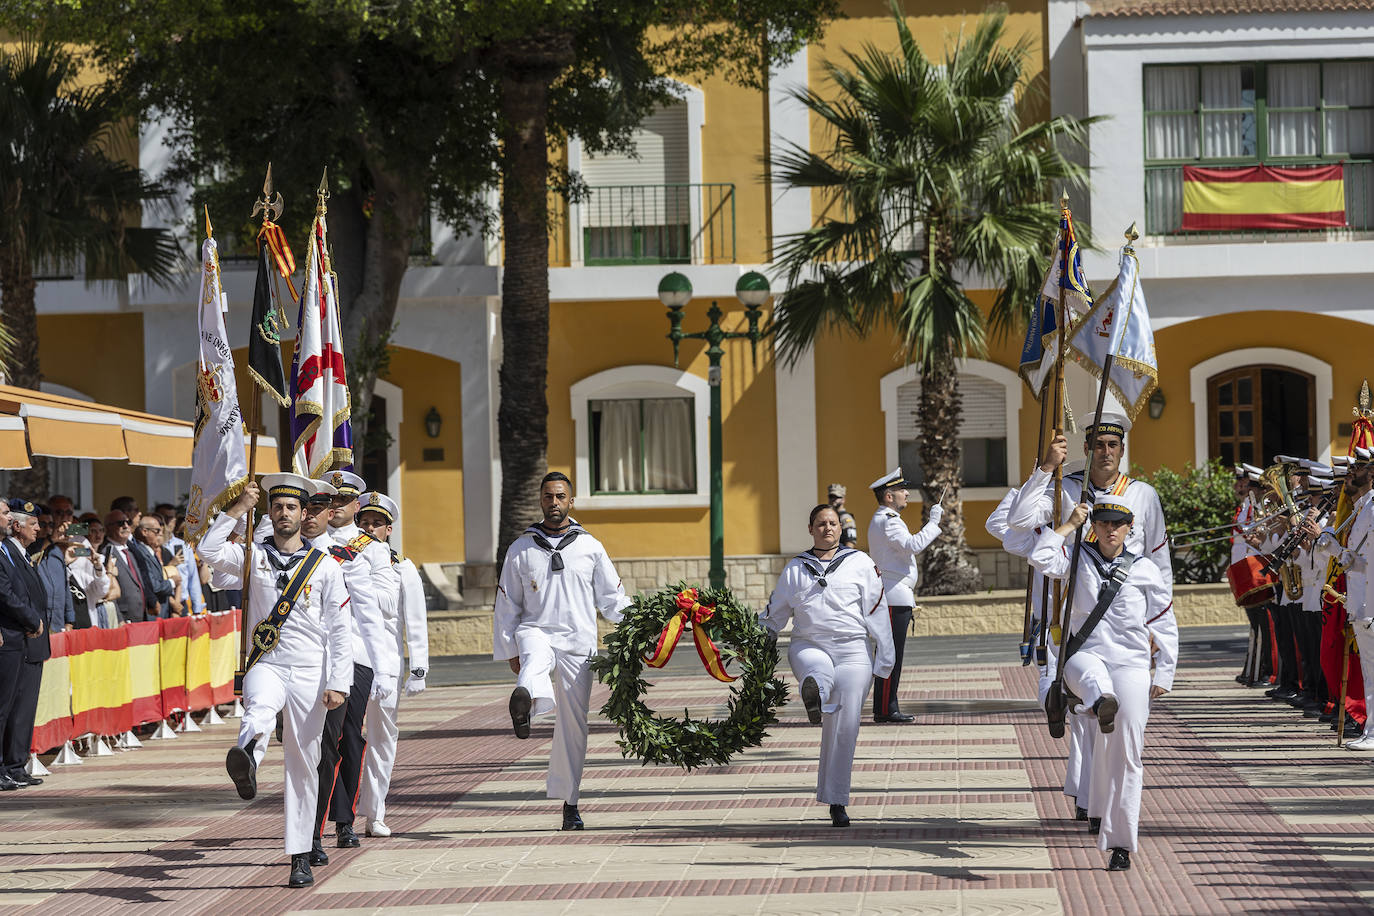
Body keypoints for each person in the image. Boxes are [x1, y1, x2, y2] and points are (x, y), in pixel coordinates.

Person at [199, 474, 352, 889]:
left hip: (309, 670)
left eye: (291, 508)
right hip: (265, 661)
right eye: (276, 507)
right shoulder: (252, 556)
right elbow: (208, 549)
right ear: (269, 512)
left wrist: (340, 681)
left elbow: (340, 629)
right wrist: (237, 509)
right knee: (260, 709)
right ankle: (247, 757)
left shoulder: (325, 566)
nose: (283, 513)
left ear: (305, 514)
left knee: (304, 762)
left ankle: (300, 853)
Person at [1030, 497, 1178, 872]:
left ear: (1130, 527)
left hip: (1130, 663)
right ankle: (1100, 701)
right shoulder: (1076, 558)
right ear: (1093, 525)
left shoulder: (1144, 569)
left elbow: (1164, 621)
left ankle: (1120, 843)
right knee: (1091, 679)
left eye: (1118, 523)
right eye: (1103, 522)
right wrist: (1067, 525)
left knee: (1126, 753)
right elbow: (1040, 557)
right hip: (1085, 656)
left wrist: (1164, 672)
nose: (1111, 530)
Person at [494, 471, 630, 831]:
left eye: (559, 497)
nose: (553, 503)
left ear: (571, 501)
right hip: (536, 630)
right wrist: (510, 647)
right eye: (547, 497)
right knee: (534, 659)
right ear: (540, 501)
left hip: (578, 642)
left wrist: (640, 623)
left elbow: (612, 598)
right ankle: (524, 703)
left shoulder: (590, 546)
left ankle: (571, 802)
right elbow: (507, 603)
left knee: (574, 725)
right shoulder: (521, 547)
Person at [762, 504, 893, 827]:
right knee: (817, 673)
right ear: (810, 529)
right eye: (820, 524)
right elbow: (775, 614)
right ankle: (816, 695)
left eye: (832, 523)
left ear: (841, 528)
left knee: (845, 722)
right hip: (809, 644)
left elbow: (877, 609)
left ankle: (837, 800)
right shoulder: (795, 568)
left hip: (852, 649)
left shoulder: (860, 563)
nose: (827, 529)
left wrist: (885, 656)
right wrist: (755, 640)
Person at [312, 470, 396, 858]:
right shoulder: (310, 541)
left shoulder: (371, 548)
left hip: (357, 652)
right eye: (330, 500)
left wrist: (344, 575)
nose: (336, 507)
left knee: (348, 736)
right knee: (320, 741)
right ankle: (316, 820)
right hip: (315, 650)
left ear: (356, 505)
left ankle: (343, 820)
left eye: (344, 501)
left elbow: (383, 606)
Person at [354, 491, 430, 838]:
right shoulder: (343, 559)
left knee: (383, 737)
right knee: (347, 738)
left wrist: (418, 669)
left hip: (386, 661)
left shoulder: (402, 567)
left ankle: (376, 811)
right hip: (353, 659)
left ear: (389, 529)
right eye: (364, 522)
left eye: (377, 523)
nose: (369, 528)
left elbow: (415, 620)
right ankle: (343, 813)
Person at [866, 468, 942, 723]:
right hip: (893, 595)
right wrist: (934, 523)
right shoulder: (889, 520)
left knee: (891, 655)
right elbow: (913, 545)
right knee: (890, 655)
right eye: (901, 490)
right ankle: (886, 709)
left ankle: (886, 706)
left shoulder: (885, 518)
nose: (907, 494)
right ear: (889, 496)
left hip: (896, 594)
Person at [1, 499, 51, 789]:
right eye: (34, 524)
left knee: (23, 709)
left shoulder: (18, 553)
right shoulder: (6, 552)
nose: (38, 529)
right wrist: (32, 620)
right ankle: (8, 765)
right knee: (9, 707)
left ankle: (15, 764)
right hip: (17, 635)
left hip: (28, 639)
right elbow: (7, 594)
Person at [828, 484, 858, 549]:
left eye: (836, 497)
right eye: (831, 496)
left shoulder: (845, 518)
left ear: (843, 499)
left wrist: (845, 556)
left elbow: (850, 540)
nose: (833, 499)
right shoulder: (830, 516)